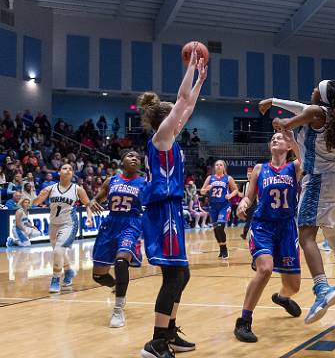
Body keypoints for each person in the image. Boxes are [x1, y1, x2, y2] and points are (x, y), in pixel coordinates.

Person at [260, 79, 335, 324]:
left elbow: (288, 121)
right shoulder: (329, 114)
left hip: (318, 181)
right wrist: (273, 101)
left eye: (317, 88)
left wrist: (280, 124)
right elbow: (299, 107)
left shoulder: (315, 112)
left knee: (305, 236)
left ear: (323, 96)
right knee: (329, 229)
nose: (312, 89)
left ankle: (321, 289)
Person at [138, 51, 207, 358]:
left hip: (172, 209)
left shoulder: (172, 137)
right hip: (162, 209)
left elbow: (188, 104)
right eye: (175, 116)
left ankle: (169, 333)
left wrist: (201, 80)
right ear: (165, 119)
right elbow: (182, 100)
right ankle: (155, 342)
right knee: (174, 276)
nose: (181, 119)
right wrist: (191, 66)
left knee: (184, 275)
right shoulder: (161, 137)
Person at [233, 131, 303, 343]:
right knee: (265, 269)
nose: (275, 139)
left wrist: (291, 134)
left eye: (280, 138)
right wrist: (243, 203)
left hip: (287, 228)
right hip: (263, 225)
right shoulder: (259, 169)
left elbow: (305, 157)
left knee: (294, 286)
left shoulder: (295, 167)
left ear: (289, 146)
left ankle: (282, 297)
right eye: (273, 137)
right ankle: (243, 321)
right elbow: (249, 195)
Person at [89, 150, 146, 328]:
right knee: (98, 276)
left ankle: (118, 309)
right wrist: (92, 202)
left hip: (131, 224)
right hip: (110, 224)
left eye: (137, 157)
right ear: (121, 161)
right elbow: (97, 199)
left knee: (121, 263)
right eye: (130, 155)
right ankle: (116, 285)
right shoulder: (111, 180)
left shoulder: (144, 183)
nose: (134, 158)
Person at [33, 163, 93, 294]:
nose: (68, 171)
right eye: (65, 168)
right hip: (53, 224)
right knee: (58, 251)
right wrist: (39, 196)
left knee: (58, 250)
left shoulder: (77, 189)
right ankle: (68, 271)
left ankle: (55, 278)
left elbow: (88, 204)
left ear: (72, 174)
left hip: (69, 224)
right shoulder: (50, 188)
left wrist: (89, 218)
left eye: (70, 169)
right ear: (59, 172)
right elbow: (36, 203)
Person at [200, 160, 239, 259]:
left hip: (224, 206)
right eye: (216, 164)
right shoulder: (210, 178)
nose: (218, 166)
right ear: (214, 167)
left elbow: (235, 190)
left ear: (224, 167)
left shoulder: (228, 178)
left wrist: (230, 195)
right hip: (213, 207)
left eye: (220, 165)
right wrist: (206, 189)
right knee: (216, 229)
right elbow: (202, 191)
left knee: (220, 225)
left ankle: (225, 248)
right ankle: (221, 248)